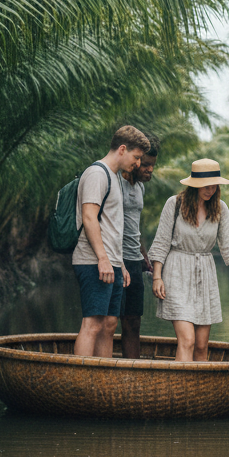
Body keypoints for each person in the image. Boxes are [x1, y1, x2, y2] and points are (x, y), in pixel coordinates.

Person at [147, 159, 229, 362]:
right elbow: (161, 242)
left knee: (202, 345)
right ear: (194, 185)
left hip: (205, 275)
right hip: (177, 273)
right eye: (206, 186)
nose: (210, 190)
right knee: (187, 340)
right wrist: (157, 277)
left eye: (214, 186)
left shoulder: (220, 208)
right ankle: (181, 383)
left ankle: (197, 384)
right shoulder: (175, 204)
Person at [73, 125, 151, 358]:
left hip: (113, 263)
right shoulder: (97, 173)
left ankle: (102, 378)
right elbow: (89, 217)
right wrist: (103, 259)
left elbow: (112, 227)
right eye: (136, 157)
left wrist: (120, 265)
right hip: (94, 261)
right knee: (93, 324)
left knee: (109, 325)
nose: (138, 163)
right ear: (122, 149)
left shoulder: (114, 177)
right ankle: (81, 377)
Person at [119, 134, 160, 360]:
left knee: (133, 321)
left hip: (134, 260)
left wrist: (144, 255)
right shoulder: (116, 182)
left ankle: (132, 369)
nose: (149, 169)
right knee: (107, 321)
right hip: (115, 260)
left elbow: (135, 225)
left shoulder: (140, 188)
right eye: (145, 164)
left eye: (153, 165)